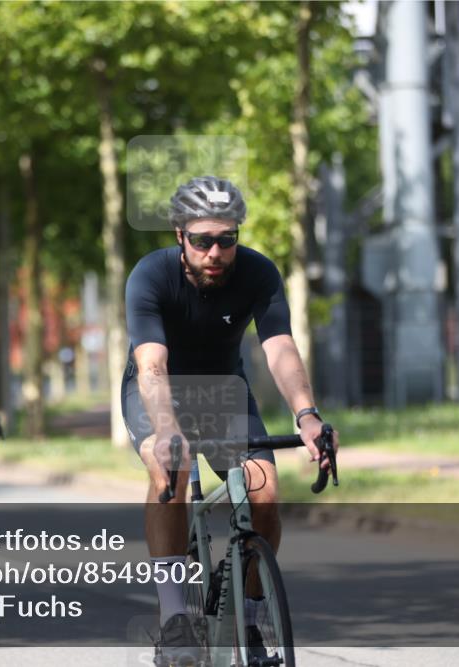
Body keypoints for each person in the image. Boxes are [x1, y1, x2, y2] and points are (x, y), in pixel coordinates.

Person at [122, 176, 338, 663]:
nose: (215, 252)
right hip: (157, 387)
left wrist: (306, 414)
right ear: (180, 236)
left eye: (227, 239)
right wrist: (167, 429)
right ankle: (176, 619)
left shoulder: (258, 274)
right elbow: (152, 364)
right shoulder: (150, 276)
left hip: (224, 392)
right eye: (202, 241)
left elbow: (279, 347)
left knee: (265, 491)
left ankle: (246, 613)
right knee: (169, 472)